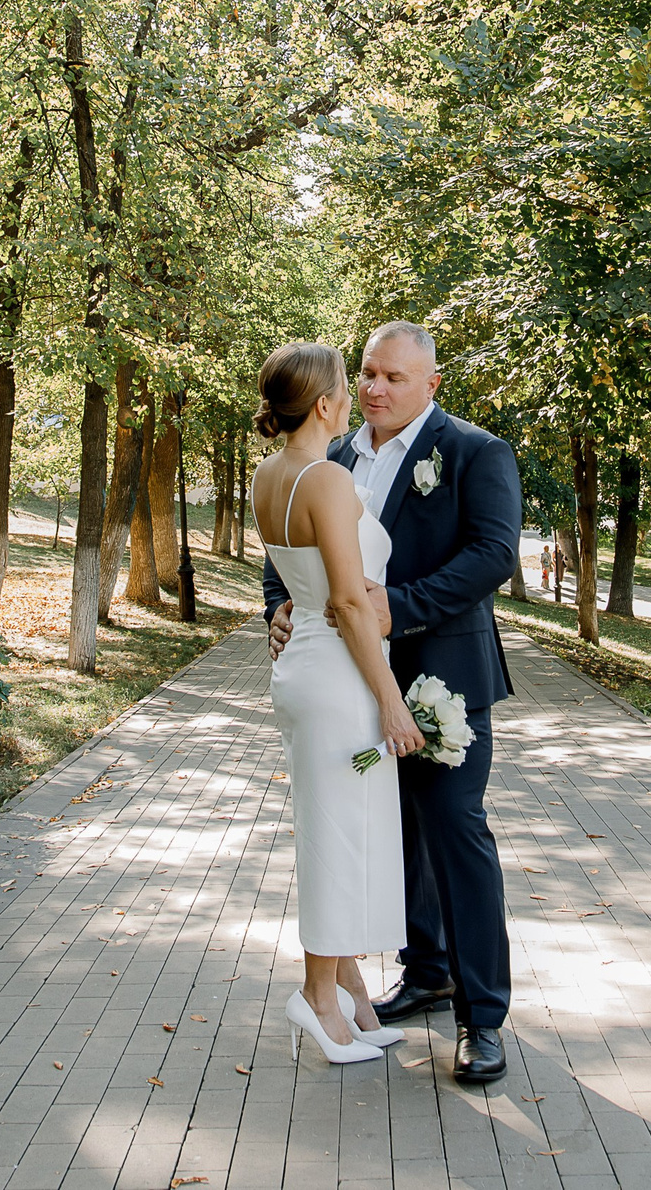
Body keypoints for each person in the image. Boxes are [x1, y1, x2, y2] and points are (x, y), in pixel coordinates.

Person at [265, 321, 523, 1086]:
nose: (375, 388)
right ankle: (427, 969)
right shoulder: (334, 455)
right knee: (392, 834)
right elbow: (296, 556)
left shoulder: (474, 451)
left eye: (394, 377)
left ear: (431, 384)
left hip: (440, 676)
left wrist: (395, 607)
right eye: (368, 373)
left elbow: (493, 553)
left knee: (455, 831)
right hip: (351, 683)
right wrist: (280, 607)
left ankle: (482, 1017)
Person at [256, 341, 422, 1065]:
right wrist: (392, 702)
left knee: (339, 831)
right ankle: (317, 997)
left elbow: (302, 582)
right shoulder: (324, 478)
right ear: (325, 404)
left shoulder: (269, 474)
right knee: (337, 840)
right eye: (347, 387)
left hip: (304, 667)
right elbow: (351, 603)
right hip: (340, 677)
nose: (355, 397)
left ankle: (350, 991)